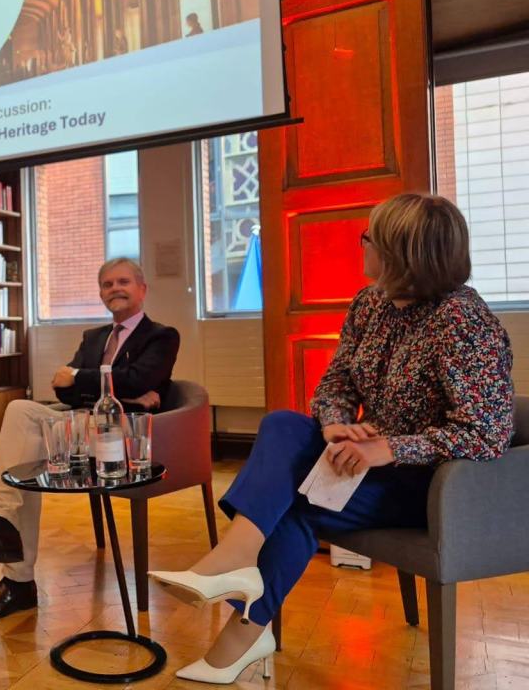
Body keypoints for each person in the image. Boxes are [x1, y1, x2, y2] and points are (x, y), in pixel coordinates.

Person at [150, 193, 514, 684]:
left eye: (370, 238)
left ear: (402, 253)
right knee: (282, 424)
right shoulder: (370, 304)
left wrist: (388, 448)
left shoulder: (463, 321)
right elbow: (336, 383)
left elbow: (487, 432)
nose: (362, 245)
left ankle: (243, 624)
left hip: (424, 485)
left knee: (293, 502)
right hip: (357, 461)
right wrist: (335, 422)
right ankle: (237, 564)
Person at [0, 258, 180, 620]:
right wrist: (117, 388)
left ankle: (16, 578)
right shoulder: (93, 337)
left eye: (123, 282)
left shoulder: (162, 336)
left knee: (29, 441)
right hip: (82, 425)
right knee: (20, 410)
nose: (114, 289)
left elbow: (138, 378)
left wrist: (85, 379)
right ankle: (4, 527)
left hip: (124, 439)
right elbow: (66, 391)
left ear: (142, 289)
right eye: (107, 284)